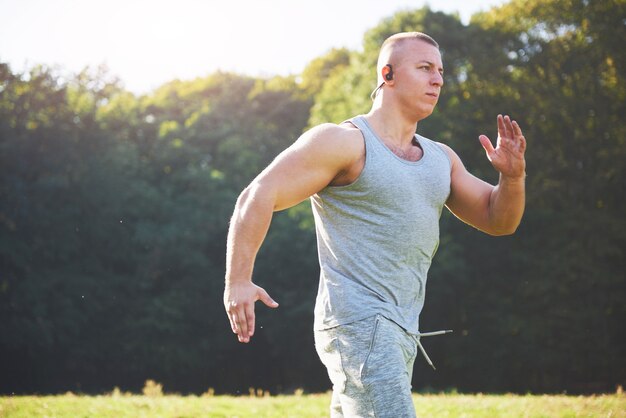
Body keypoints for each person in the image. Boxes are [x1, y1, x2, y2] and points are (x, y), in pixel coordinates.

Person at [223, 32, 526, 417]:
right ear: (388, 74)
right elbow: (257, 194)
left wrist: (513, 179)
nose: (438, 80)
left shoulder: (440, 159)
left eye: (441, 71)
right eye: (424, 68)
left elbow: (498, 220)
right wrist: (238, 280)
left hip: (402, 327)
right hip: (359, 323)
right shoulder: (344, 142)